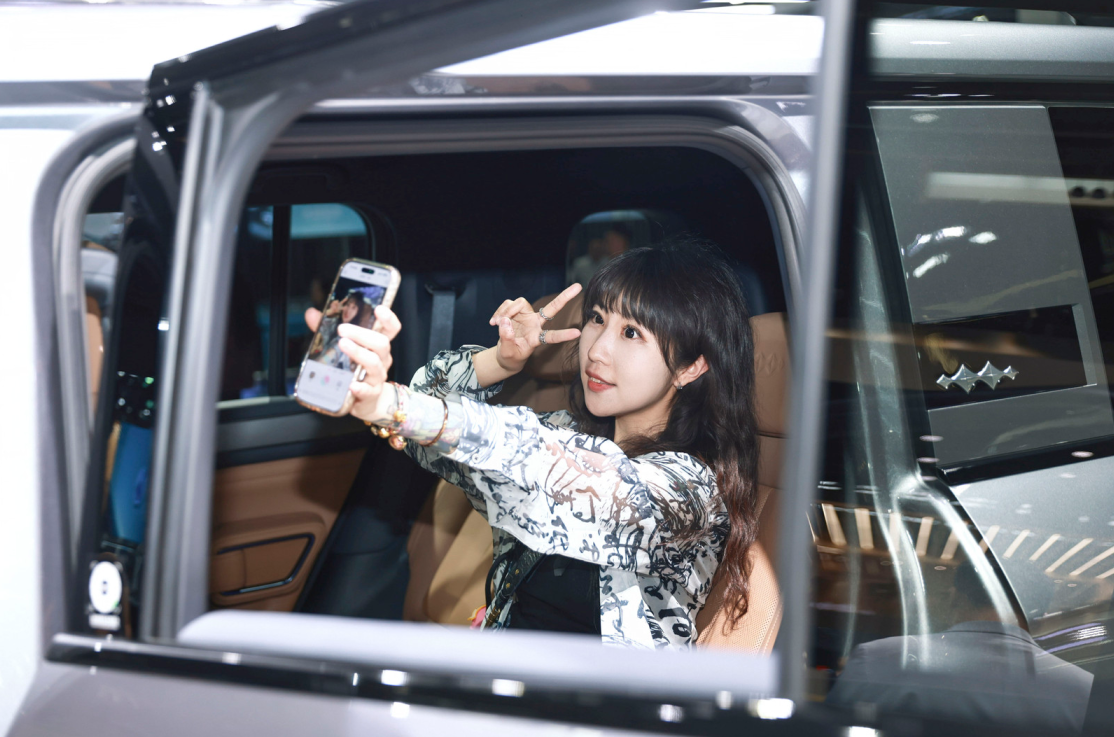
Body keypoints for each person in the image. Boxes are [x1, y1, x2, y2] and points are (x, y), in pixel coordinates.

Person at [306, 241, 760, 648]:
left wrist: (389, 402)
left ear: (690, 367)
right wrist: (500, 361)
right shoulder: (568, 432)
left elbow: (546, 464)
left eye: (631, 333)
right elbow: (427, 423)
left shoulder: (689, 488)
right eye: (597, 319)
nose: (596, 350)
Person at [827, 564, 1094, 732]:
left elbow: (830, 729)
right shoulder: (1081, 688)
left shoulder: (878, 658)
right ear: (1041, 617)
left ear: (957, 597)